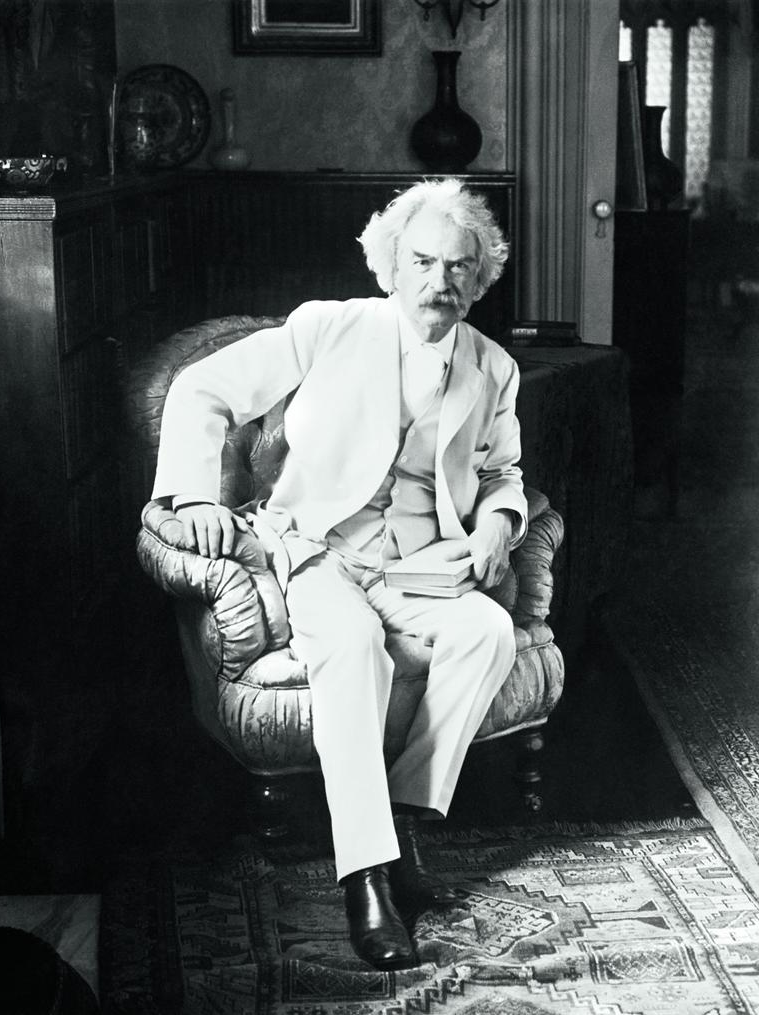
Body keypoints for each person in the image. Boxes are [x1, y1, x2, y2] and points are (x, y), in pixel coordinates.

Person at [152, 177, 528, 970]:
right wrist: (195, 496)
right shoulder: (327, 328)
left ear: (479, 279)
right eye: (422, 261)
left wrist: (500, 517)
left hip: (422, 566)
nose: (440, 281)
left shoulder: (492, 367)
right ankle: (366, 876)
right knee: (353, 646)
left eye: (459, 267)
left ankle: (404, 823)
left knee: (490, 632)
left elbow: (503, 471)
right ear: (390, 265)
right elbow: (200, 388)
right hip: (318, 552)